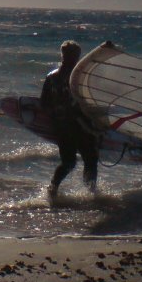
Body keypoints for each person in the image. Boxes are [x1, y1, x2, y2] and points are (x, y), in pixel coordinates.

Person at [40, 40, 99, 198]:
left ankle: (52, 188)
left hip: (61, 127)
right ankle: (91, 194)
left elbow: (44, 103)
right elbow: (87, 102)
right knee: (91, 159)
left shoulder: (51, 76)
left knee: (68, 162)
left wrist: (53, 121)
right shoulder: (78, 78)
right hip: (80, 126)